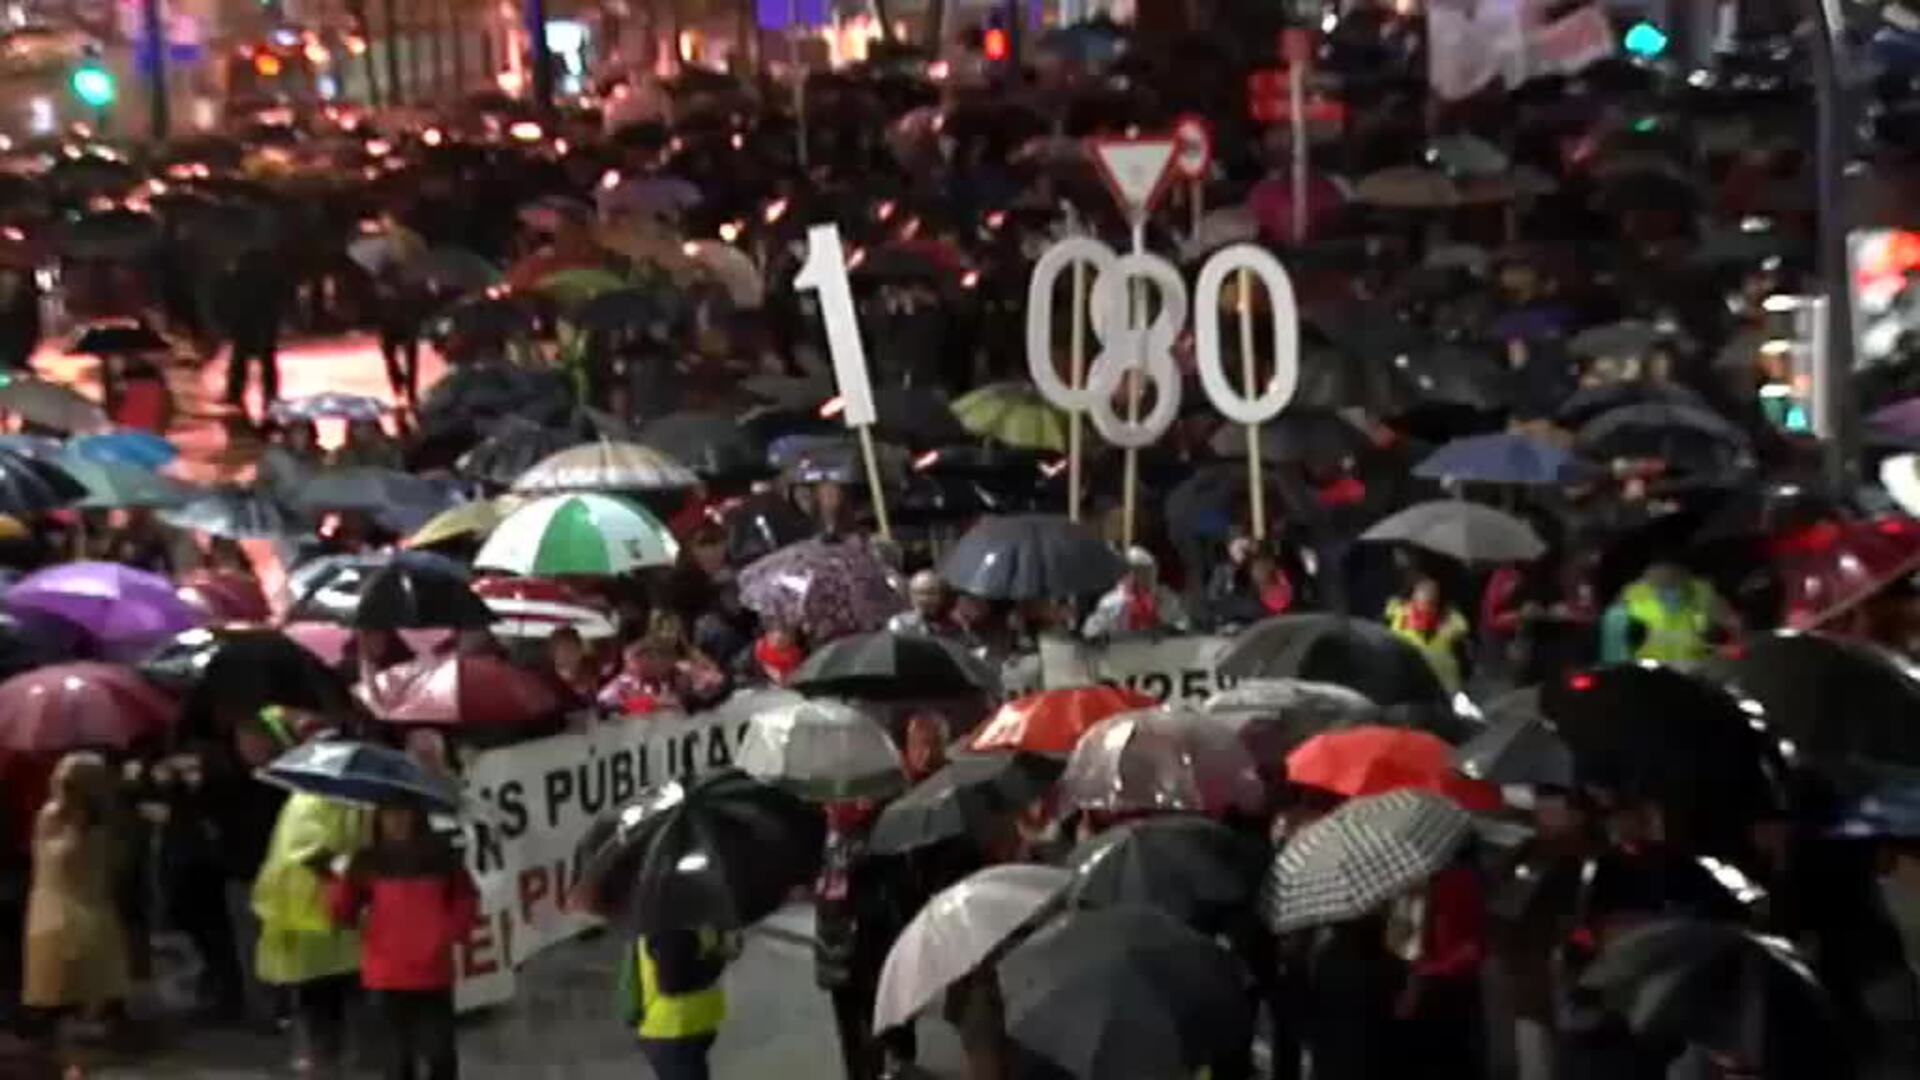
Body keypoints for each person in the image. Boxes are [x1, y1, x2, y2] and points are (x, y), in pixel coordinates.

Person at [327, 802, 476, 1080]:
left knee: (439, 1056)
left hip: (431, 972)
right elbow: (342, 913)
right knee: (397, 1062)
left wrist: (449, 932)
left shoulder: (442, 858)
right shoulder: (366, 861)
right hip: (386, 973)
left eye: (403, 812)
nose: (396, 820)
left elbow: (465, 898)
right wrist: (340, 879)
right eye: (389, 814)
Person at [252, 777, 369, 1076]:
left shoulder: (353, 803)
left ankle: (331, 1060)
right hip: (314, 915)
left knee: (335, 999)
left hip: (336, 918)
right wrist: (346, 868)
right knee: (321, 1000)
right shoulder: (309, 802)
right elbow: (306, 852)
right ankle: (325, 1062)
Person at [21, 752, 129, 1063]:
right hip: (58, 911)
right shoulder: (52, 815)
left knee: (89, 994)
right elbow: (56, 861)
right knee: (62, 993)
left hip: (90, 909)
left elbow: (111, 863)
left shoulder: (105, 820)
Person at [619, 928, 730, 1080]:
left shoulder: (689, 916)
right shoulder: (671, 923)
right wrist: (717, 961)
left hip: (686, 1027)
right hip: (672, 1030)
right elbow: (672, 981)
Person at [1600, 560, 1741, 664]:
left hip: (1693, 672)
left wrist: (1732, 646)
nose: (1672, 594)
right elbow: (1614, 640)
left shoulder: (1701, 592)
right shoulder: (1632, 597)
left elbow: (1732, 624)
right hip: (1656, 674)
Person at [1385, 575, 1473, 693]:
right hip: (1411, 680)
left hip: (1443, 683)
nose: (1425, 609)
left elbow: (1462, 627)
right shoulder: (1400, 613)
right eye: (1421, 603)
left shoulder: (1447, 624)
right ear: (1413, 600)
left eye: (1431, 603)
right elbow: (1391, 608)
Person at [1082, 547, 1191, 639]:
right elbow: (1090, 630)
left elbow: (1183, 622)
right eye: (1139, 571)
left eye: (1149, 570)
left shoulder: (1166, 597)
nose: (1147, 576)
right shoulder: (1112, 601)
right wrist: (1099, 635)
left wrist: (1170, 629)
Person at [888, 571, 955, 637]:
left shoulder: (951, 615)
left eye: (937, 592)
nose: (932, 598)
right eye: (928, 592)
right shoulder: (901, 623)